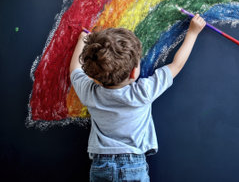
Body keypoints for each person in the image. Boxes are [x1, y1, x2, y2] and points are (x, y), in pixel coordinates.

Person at [69, 14, 206, 182]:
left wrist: (83, 39)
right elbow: (176, 65)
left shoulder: (90, 93)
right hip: (134, 165)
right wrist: (192, 33)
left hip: (100, 165)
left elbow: (75, 70)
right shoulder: (143, 92)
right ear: (134, 72)